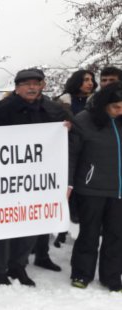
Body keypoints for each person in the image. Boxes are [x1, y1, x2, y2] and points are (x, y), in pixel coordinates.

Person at [0, 68, 70, 287]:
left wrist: (67, 130)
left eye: (36, 83)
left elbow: (71, 137)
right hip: (8, 179)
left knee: (31, 223)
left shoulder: (54, 109)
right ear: (17, 87)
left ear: (43, 85)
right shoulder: (2, 109)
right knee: (5, 224)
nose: (32, 87)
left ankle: (19, 266)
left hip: (39, 180)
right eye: (26, 84)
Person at [68, 81, 122, 292]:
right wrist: (70, 182)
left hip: (118, 191)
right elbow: (72, 155)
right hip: (91, 188)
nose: (120, 111)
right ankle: (82, 273)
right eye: (116, 107)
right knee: (89, 233)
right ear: (104, 105)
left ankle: (112, 276)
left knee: (116, 235)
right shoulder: (84, 120)